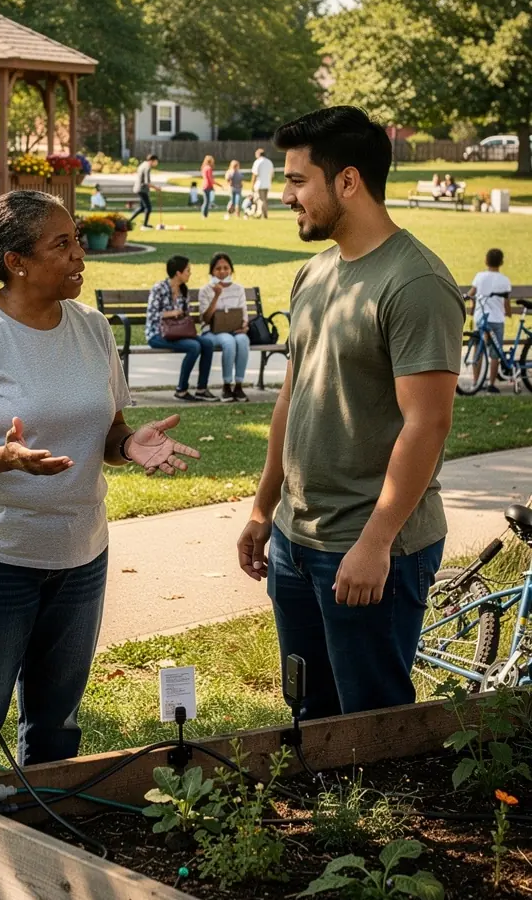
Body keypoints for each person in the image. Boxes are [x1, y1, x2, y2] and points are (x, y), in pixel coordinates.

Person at [0, 191, 200, 769]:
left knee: (57, 722)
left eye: (77, 240)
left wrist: (129, 446)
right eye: (63, 244)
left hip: (81, 556)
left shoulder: (92, 328)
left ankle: (41, 830)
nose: (80, 255)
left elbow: (111, 430)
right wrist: (4, 458)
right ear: (15, 261)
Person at [237, 105, 464, 720]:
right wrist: (264, 510)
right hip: (295, 539)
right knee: (309, 714)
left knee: (373, 722)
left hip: (370, 547)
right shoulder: (315, 273)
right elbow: (293, 394)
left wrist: (376, 541)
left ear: (347, 181)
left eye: (296, 180)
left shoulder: (415, 283)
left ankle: (373, 820)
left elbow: (428, 423)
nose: (285, 195)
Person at [147, 255, 217, 402]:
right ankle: (181, 390)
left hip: (180, 332)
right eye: (187, 270)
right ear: (178, 273)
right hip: (158, 334)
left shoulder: (184, 290)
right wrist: (172, 313)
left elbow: (186, 315)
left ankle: (201, 389)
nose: (189, 273)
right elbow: (152, 315)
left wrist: (183, 314)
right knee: (194, 346)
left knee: (207, 344)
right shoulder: (159, 288)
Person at [198, 252, 250, 402]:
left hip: (235, 330)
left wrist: (244, 325)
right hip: (212, 333)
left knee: (242, 340)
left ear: (231, 270)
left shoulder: (238, 289)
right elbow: (205, 319)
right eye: (218, 268)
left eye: (226, 268)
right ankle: (227, 385)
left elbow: (244, 313)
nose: (222, 272)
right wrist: (216, 295)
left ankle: (238, 385)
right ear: (212, 271)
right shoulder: (206, 290)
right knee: (229, 341)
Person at [467, 248, 512, 393]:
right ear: (502, 262)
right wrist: (509, 313)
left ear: (486, 260)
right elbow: (506, 303)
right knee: (495, 353)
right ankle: (491, 384)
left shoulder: (480, 277)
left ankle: (476, 382)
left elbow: (471, 295)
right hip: (497, 320)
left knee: (478, 351)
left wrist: (472, 308)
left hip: (481, 319)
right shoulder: (504, 280)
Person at [130, 153, 158, 228]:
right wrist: (156, 188)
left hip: (139, 188)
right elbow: (147, 182)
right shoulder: (147, 167)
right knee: (148, 208)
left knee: (142, 208)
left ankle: (127, 221)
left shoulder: (143, 164)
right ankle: (145, 225)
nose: (157, 163)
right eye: (156, 161)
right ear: (152, 161)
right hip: (142, 189)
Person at [251, 146, 275, 219]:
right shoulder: (269, 162)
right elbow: (272, 174)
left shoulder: (257, 162)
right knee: (264, 200)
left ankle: (260, 214)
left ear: (258, 154)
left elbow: (254, 174)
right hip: (267, 184)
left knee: (261, 200)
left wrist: (252, 184)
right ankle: (265, 214)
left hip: (259, 184)